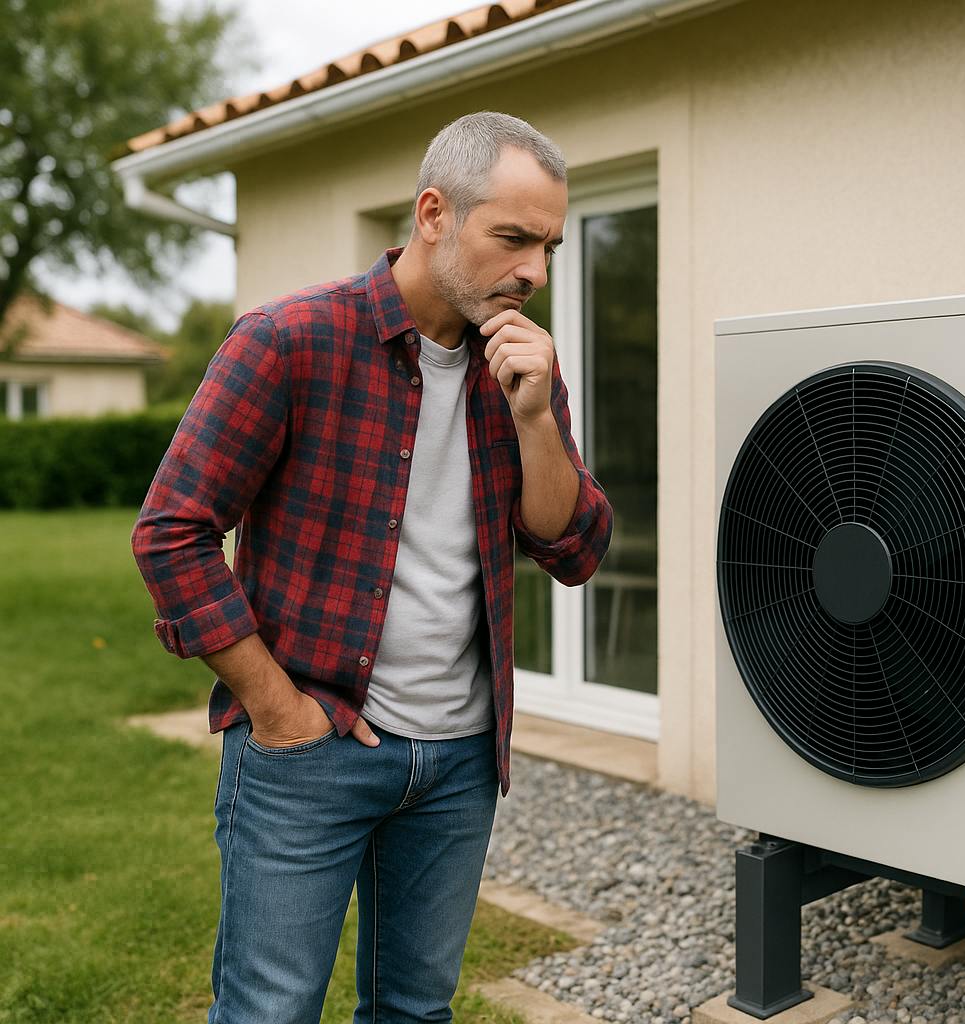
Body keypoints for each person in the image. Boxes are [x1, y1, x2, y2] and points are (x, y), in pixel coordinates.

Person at [130, 111, 613, 1023]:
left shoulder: (518, 369)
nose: (534, 273)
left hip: (463, 759)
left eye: (548, 246)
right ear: (434, 213)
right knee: (269, 1011)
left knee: (416, 1011)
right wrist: (276, 711)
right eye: (513, 239)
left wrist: (539, 419)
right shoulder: (288, 340)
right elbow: (172, 530)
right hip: (308, 753)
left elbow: (574, 548)